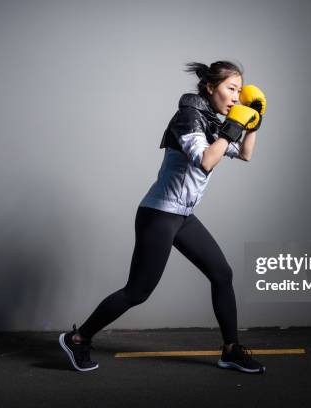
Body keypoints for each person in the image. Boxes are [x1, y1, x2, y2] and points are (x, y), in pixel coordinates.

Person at [59, 60, 267, 374]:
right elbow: (206, 161)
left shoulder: (214, 120)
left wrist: (255, 121)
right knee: (138, 291)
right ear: (210, 87)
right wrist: (234, 126)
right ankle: (78, 338)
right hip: (158, 215)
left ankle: (230, 350)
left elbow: (246, 153)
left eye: (240, 90)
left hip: (182, 217)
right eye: (231, 89)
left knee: (222, 274)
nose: (237, 96)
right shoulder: (188, 117)